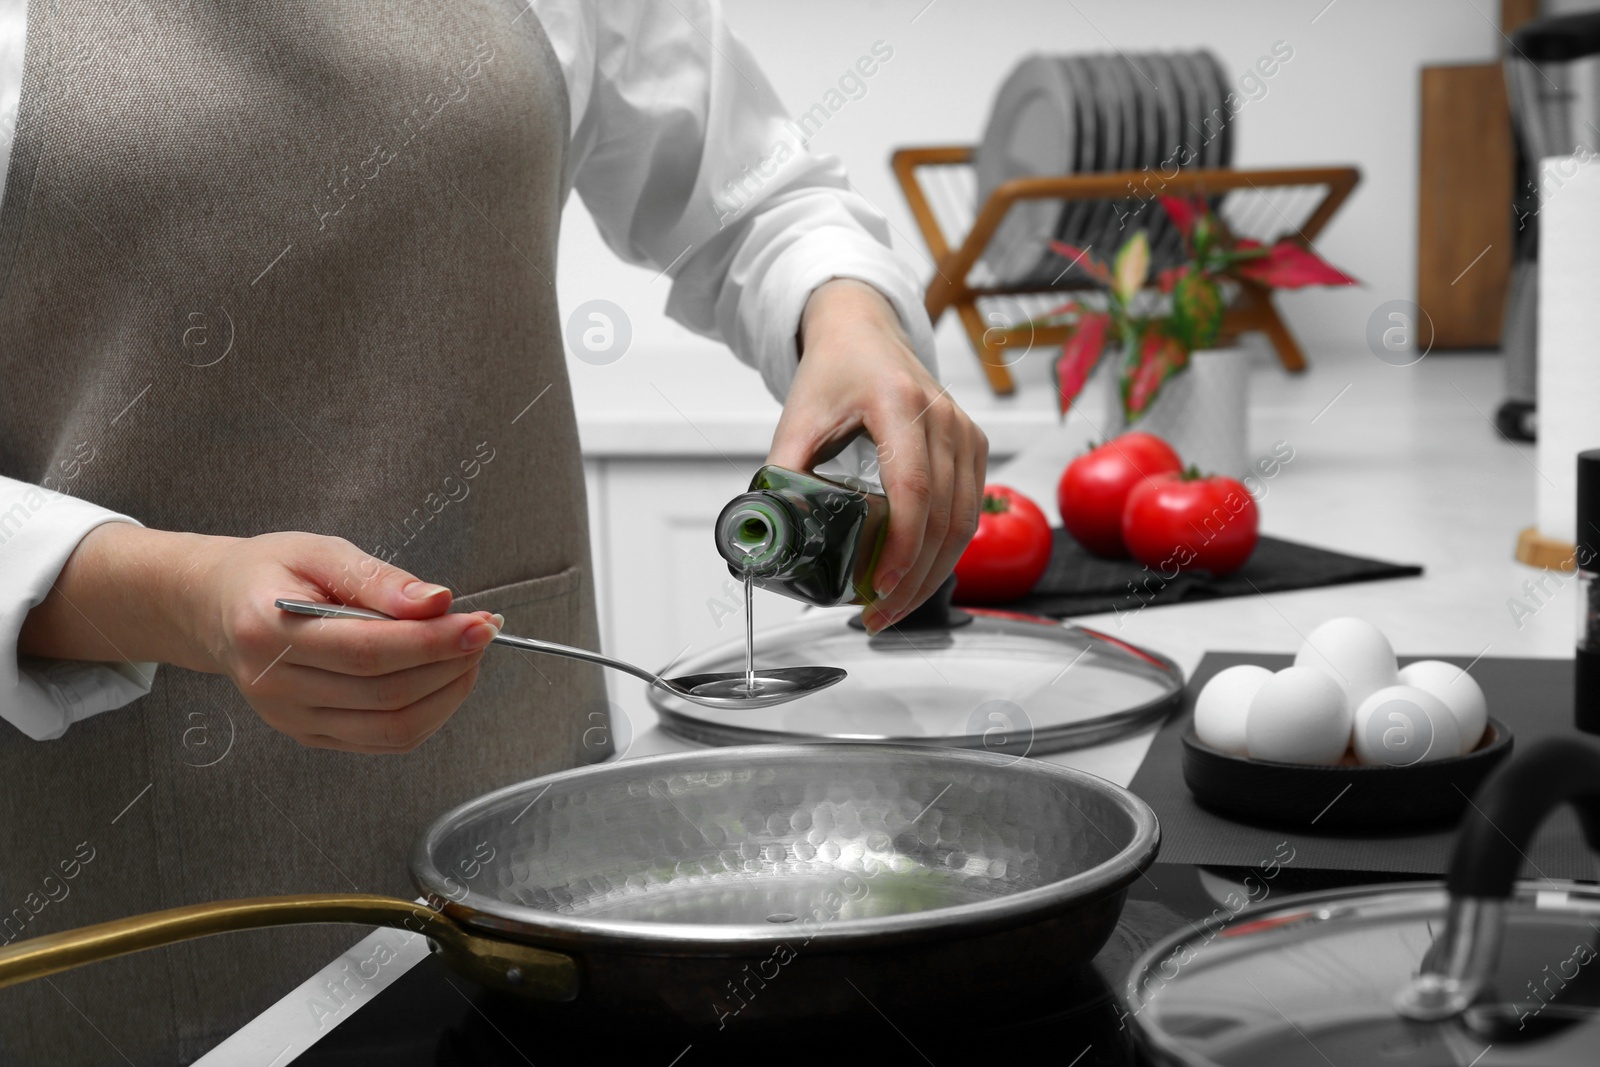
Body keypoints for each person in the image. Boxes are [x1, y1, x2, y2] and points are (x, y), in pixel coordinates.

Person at [0, 0, 985, 1061]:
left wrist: (849, 319)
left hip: (552, 898)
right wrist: (178, 593)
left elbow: (758, 202)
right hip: (139, 916)